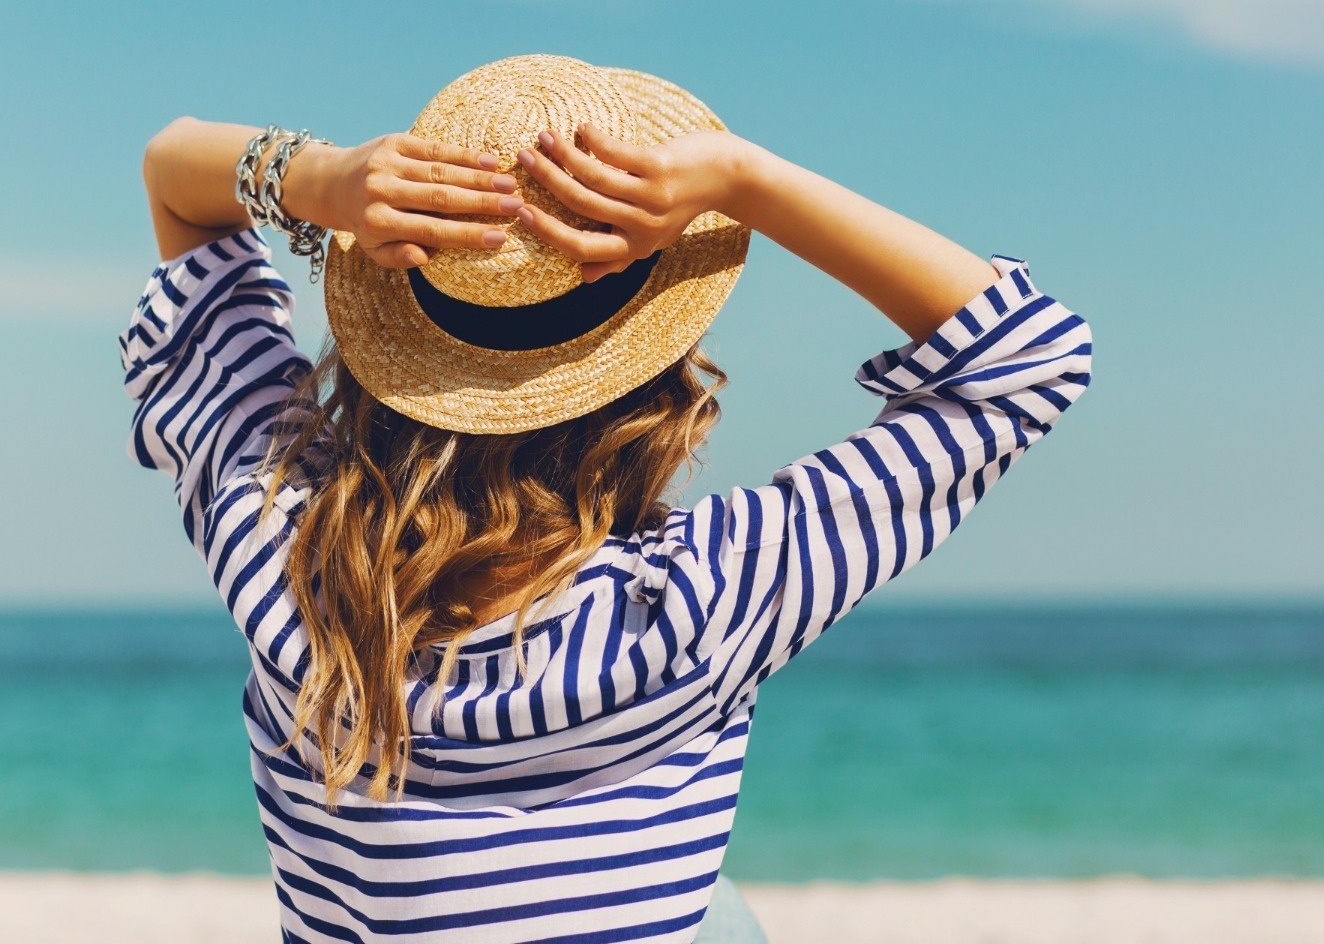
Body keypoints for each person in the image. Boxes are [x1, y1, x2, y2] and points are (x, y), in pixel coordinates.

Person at [123, 54, 1093, 942]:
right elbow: (1028, 356)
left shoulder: (278, 546)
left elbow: (174, 171)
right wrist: (747, 179)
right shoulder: (697, 604)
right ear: (658, 377)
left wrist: (319, 179)